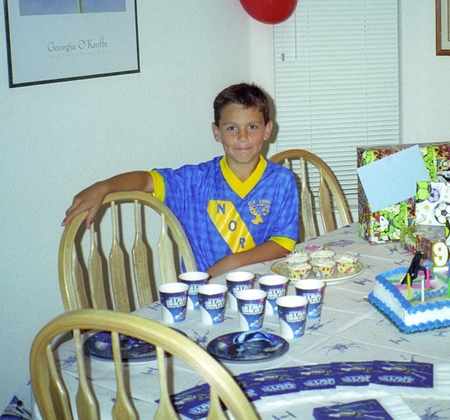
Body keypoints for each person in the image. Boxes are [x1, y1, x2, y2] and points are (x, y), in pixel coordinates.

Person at [63, 83, 299, 278]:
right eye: (231, 128)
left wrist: (230, 263)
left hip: (261, 287)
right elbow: (146, 181)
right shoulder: (193, 182)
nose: (243, 137)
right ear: (216, 132)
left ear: (267, 130)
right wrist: (104, 187)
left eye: (252, 127)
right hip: (204, 294)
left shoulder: (282, 180)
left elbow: (283, 243)